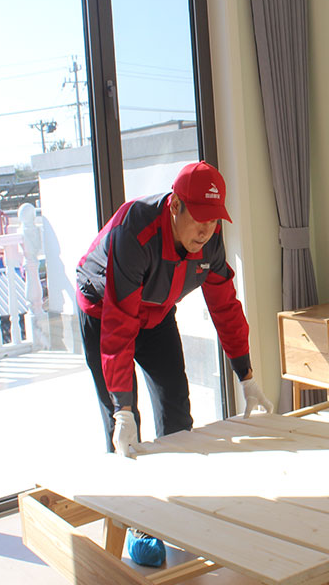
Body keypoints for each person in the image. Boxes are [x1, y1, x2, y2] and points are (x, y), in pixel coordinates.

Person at [77, 161, 273, 564]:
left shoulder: (210, 244)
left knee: (177, 412)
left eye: (214, 220)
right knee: (124, 430)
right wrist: (123, 409)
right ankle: (139, 523)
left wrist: (247, 376)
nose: (206, 230)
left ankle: (179, 508)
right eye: (199, 218)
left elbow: (226, 308)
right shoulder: (135, 232)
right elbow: (118, 328)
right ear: (175, 206)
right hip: (104, 311)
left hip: (156, 312)